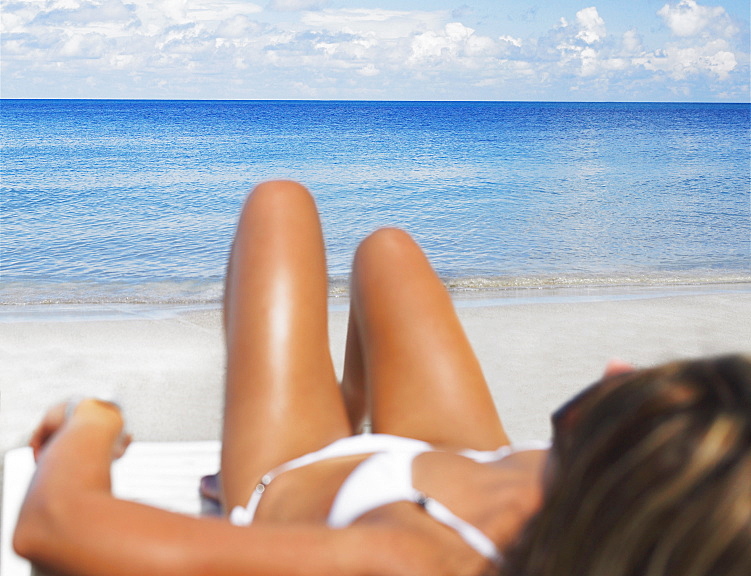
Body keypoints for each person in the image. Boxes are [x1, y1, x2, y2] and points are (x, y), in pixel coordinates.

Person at [14, 180, 751, 576]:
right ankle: (345, 405)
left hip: (294, 471)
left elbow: (55, 529)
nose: (616, 367)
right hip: (471, 459)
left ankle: (299, 432)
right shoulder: (614, 516)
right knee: (387, 249)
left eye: (632, 391)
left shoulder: (411, 559)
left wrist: (93, 418)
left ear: (617, 466)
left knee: (279, 203)